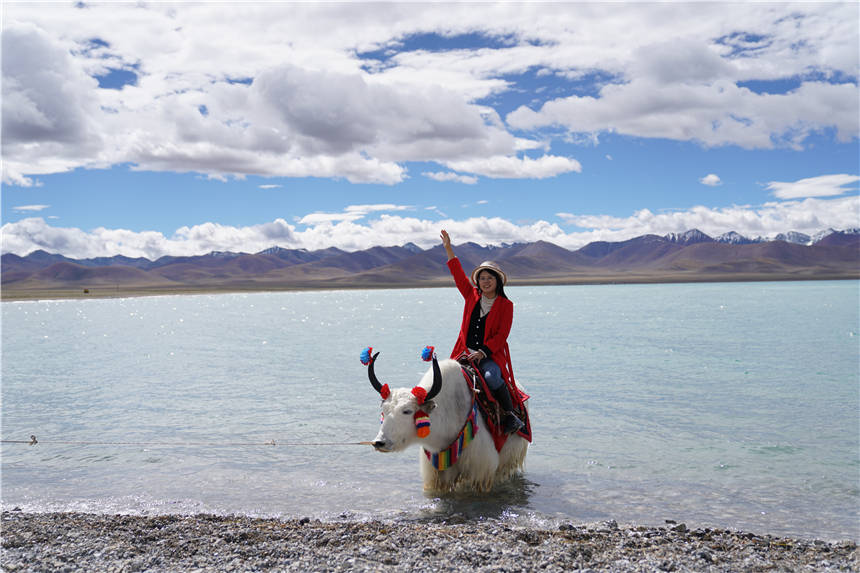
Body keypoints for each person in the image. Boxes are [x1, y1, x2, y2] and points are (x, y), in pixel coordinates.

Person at [440, 229, 524, 434]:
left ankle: (510, 415)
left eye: (489, 278)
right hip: (463, 352)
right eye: (482, 278)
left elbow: (502, 336)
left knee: (492, 378)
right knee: (442, 379)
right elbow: (458, 275)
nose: (485, 282)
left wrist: (483, 352)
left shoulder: (506, 305)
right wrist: (449, 249)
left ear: (497, 281)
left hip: (489, 356)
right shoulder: (471, 295)